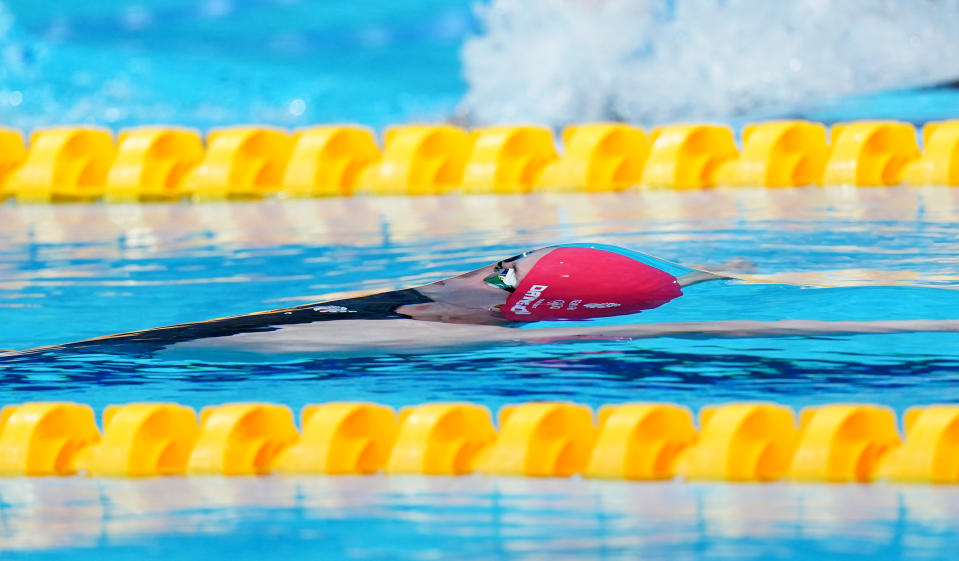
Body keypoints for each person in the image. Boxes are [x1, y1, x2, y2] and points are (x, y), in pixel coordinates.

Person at [7, 243, 959, 358]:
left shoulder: (430, 335)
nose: (476, 268)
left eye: (506, 271)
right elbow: (702, 290)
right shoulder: (455, 307)